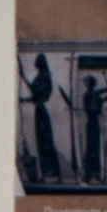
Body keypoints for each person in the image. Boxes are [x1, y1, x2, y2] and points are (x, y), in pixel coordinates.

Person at [24, 51, 62, 181]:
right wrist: (23, 77)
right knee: (42, 142)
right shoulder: (41, 76)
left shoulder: (44, 77)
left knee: (46, 142)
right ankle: (47, 172)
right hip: (39, 111)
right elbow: (34, 91)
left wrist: (24, 78)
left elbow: (39, 94)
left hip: (41, 111)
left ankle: (52, 173)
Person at [80, 70, 107, 183]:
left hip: (93, 122)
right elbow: (92, 110)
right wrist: (102, 101)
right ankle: (90, 174)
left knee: (92, 148)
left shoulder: (91, 94)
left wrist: (105, 76)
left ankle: (91, 174)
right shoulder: (90, 94)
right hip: (92, 122)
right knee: (92, 148)